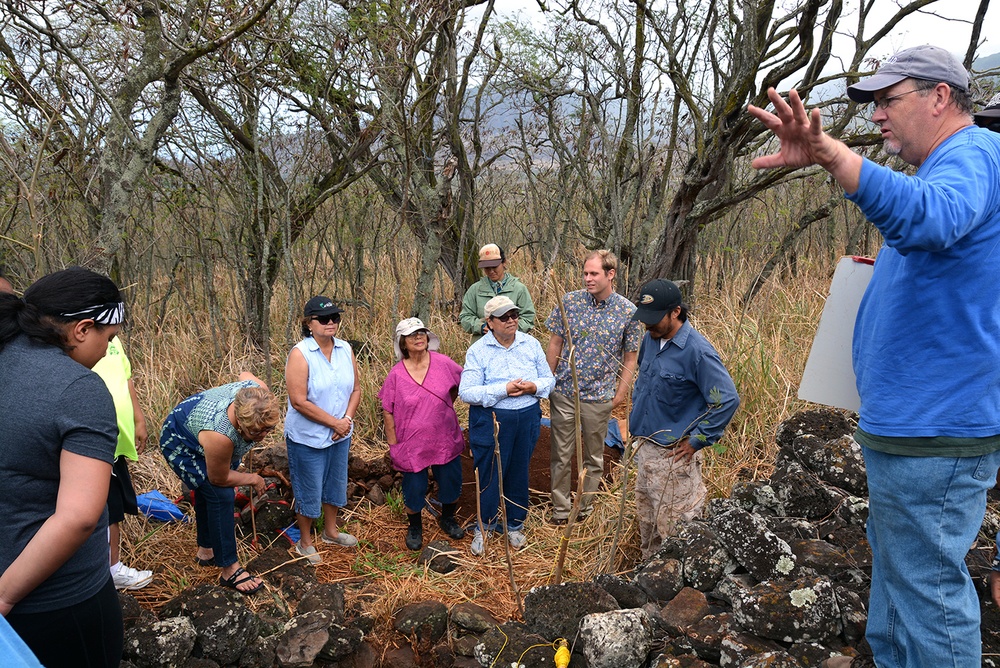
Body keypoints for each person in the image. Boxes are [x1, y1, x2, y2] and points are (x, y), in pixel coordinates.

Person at [748, 45, 1000, 668]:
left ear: (941, 97)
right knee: (899, 584)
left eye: (890, 100)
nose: (879, 116)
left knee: (928, 593)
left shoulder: (970, 155)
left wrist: (833, 153)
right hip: (908, 427)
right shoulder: (949, 166)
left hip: (934, 432)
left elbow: (933, 221)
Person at [0, 266, 125, 667]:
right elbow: (78, 518)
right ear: (83, 329)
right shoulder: (78, 389)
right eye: (110, 338)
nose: (108, 350)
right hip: (56, 604)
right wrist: (4, 595)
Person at [629, 279, 739, 559]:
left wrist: (697, 441)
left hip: (674, 458)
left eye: (655, 319)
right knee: (649, 529)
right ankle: (649, 584)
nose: (647, 325)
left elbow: (726, 399)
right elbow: (644, 380)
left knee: (680, 536)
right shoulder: (650, 339)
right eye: (645, 319)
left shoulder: (697, 352)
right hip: (645, 448)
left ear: (676, 312)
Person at [545, 250, 642, 524]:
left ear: (610, 274)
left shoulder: (628, 312)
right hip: (564, 392)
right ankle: (561, 511)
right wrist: (547, 381)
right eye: (585, 273)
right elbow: (555, 342)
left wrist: (619, 395)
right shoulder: (570, 302)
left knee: (593, 457)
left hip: (600, 397)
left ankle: (584, 509)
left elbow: (630, 357)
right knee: (561, 454)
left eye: (594, 274)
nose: (587, 278)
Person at [160, 374, 280, 593]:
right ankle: (229, 568)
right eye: (255, 431)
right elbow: (219, 478)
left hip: (203, 426)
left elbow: (245, 375)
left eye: (267, 430)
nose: (262, 436)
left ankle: (206, 551)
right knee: (220, 494)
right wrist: (253, 478)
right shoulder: (220, 435)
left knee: (212, 493)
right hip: (181, 442)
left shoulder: (258, 392)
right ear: (240, 422)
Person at [459, 295, 554, 556]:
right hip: (492, 419)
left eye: (514, 315)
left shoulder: (530, 344)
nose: (512, 320)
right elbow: (467, 392)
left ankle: (514, 524)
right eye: (504, 317)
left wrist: (534, 387)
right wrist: (503, 389)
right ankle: (484, 527)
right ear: (489, 322)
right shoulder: (478, 351)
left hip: (527, 417)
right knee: (489, 471)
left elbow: (549, 379)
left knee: (518, 470)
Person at [378, 318, 467, 550]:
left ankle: (448, 518)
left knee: (450, 480)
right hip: (411, 443)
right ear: (403, 343)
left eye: (421, 333)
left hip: (444, 437)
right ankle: (415, 526)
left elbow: (462, 384)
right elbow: (388, 411)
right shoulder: (396, 374)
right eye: (411, 335)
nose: (418, 338)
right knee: (414, 486)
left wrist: (444, 407)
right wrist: (393, 444)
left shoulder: (444, 363)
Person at [284, 296, 361, 565]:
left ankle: (330, 531)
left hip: (341, 433)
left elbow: (356, 389)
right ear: (309, 323)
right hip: (308, 438)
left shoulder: (344, 349)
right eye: (323, 319)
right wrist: (334, 422)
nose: (331, 323)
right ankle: (305, 542)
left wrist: (347, 420)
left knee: (335, 484)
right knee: (309, 489)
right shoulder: (300, 354)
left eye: (335, 318)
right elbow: (299, 401)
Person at [92, 336, 153, 590]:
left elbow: (126, 379)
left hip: (116, 441)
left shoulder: (112, 337)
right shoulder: (74, 333)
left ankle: (112, 568)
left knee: (114, 505)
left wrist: (139, 419)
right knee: (99, 506)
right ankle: (104, 571)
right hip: (93, 438)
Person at [459, 243, 536, 342]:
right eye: (487, 268)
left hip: (512, 344)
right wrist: (482, 327)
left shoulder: (518, 289)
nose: (491, 271)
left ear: (504, 263)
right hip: (483, 343)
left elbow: (528, 318)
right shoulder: (475, 290)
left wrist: (506, 329)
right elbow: (465, 317)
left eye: (494, 267)